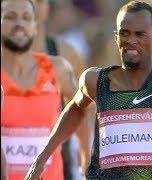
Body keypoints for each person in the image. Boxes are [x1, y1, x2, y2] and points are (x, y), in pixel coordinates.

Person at [25, 1, 152, 179]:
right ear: (116, 37)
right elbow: (76, 108)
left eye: (140, 34)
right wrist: (42, 157)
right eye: (124, 33)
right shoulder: (95, 79)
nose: (131, 41)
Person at [0, 0, 94, 179]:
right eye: (10, 17)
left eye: (26, 18)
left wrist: (85, 160)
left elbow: (84, 107)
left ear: (35, 27)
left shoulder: (57, 68)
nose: (19, 24)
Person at [31, 0, 94, 178]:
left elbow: (85, 105)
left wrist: (85, 157)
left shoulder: (66, 53)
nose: (33, 6)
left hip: (57, 163)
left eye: (39, 1)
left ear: (47, 7)